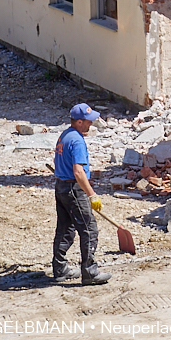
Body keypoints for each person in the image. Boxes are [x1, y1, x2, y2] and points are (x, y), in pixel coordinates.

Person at [52, 103, 112, 285]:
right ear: (79, 122)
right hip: (73, 189)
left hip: (61, 187)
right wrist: (92, 194)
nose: (90, 125)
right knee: (89, 229)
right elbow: (78, 172)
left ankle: (60, 268)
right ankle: (90, 272)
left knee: (65, 228)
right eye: (88, 121)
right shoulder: (77, 140)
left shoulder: (65, 135)